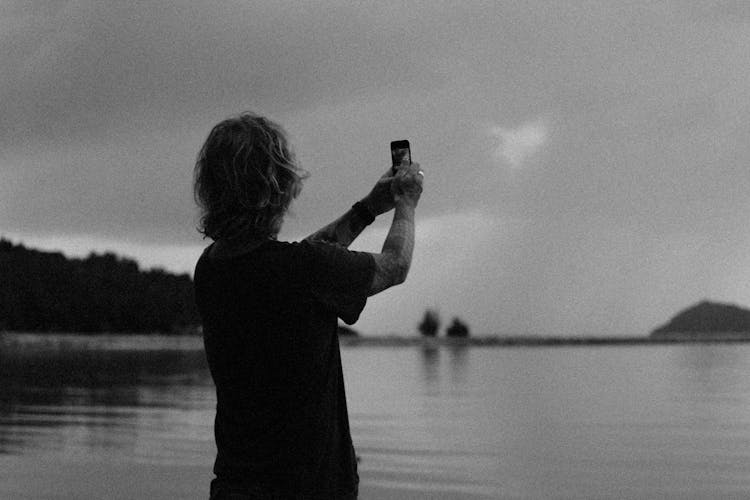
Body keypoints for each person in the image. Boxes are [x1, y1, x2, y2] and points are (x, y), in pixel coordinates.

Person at [192, 112, 423, 499]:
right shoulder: (302, 270)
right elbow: (394, 266)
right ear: (276, 186)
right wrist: (406, 202)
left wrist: (368, 208)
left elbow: (303, 259)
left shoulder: (212, 267)